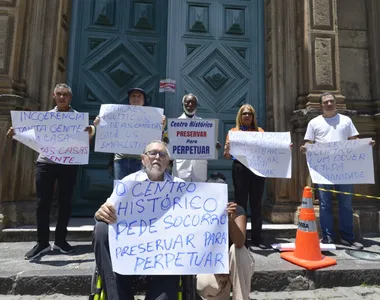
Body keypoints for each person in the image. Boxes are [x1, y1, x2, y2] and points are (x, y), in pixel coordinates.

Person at [6, 83, 95, 260]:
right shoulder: (44, 118)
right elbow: (28, 134)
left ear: (70, 97)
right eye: (59, 94)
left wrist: (90, 133)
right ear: (53, 96)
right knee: (42, 203)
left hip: (68, 164)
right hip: (45, 164)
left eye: (66, 95)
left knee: (65, 202)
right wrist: (15, 132)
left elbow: (85, 142)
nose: (62, 97)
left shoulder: (78, 119)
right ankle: (42, 242)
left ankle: (61, 240)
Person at [92, 140, 182, 300]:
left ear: (168, 161)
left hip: (163, 256)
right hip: (128, 252)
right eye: (152, 153)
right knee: (101, 229)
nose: (157, 158)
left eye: (162, 155)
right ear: (143, 159)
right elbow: (106, 211)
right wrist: (100, 213)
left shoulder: (179, 187)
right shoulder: (127, 183)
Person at [300, 92, 375, 250]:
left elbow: (354, 141)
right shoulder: (314, 123)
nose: (329, 104)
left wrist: (366, 145)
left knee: (346, 204)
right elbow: (309, 141)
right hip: (323, 171)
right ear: (321, 105)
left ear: (335, 103)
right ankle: (328, 238)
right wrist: (305, 147)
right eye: (326, 102)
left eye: (331, 101)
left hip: (344, 170)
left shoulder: (346, 121)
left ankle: (348, 237)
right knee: (325, 204)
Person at [196, 172, 255, 300]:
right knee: (204, 283)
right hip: (213, 264)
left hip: (236, 264)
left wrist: (230, 220)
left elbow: (239, 242)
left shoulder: (236, 210)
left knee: (237, 250)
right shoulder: (200, 213)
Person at [94, 87, 166, 180]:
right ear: (129, 100)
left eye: (139, 96)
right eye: (133, 96)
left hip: (141, 161)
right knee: (120, 191)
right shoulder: (117, 114)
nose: (136, 98)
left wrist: (162, 128)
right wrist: (99, 125)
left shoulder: (153, 117)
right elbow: (107, 132)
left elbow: (157, 141)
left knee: (139, 191)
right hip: (120, 160)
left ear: (144, 100)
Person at [223, 104, 266, 247]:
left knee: (256, 204)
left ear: (253, 116)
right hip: (240, 169)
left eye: (249, 114)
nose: (247, 116)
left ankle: (257, 239)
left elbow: (269, 151)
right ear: (240, 116)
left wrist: (284, 148)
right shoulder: (233, 132)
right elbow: (227, 156)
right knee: (240, 203)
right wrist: (227, 149)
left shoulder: (260, 131)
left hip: (257, 170)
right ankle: (241, 238)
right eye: (244, 114)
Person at [172, 93, 220, 182]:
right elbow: (168, 145)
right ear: (183, 104)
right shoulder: (175, 124)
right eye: (187, 102)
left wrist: (214, 146)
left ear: (196, 105)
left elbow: (209, 142)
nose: (190, 105)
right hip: (181, 167)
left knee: (199, 194)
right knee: (179, 194)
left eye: (193, 103)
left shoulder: (203, 124)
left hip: (199, 168)